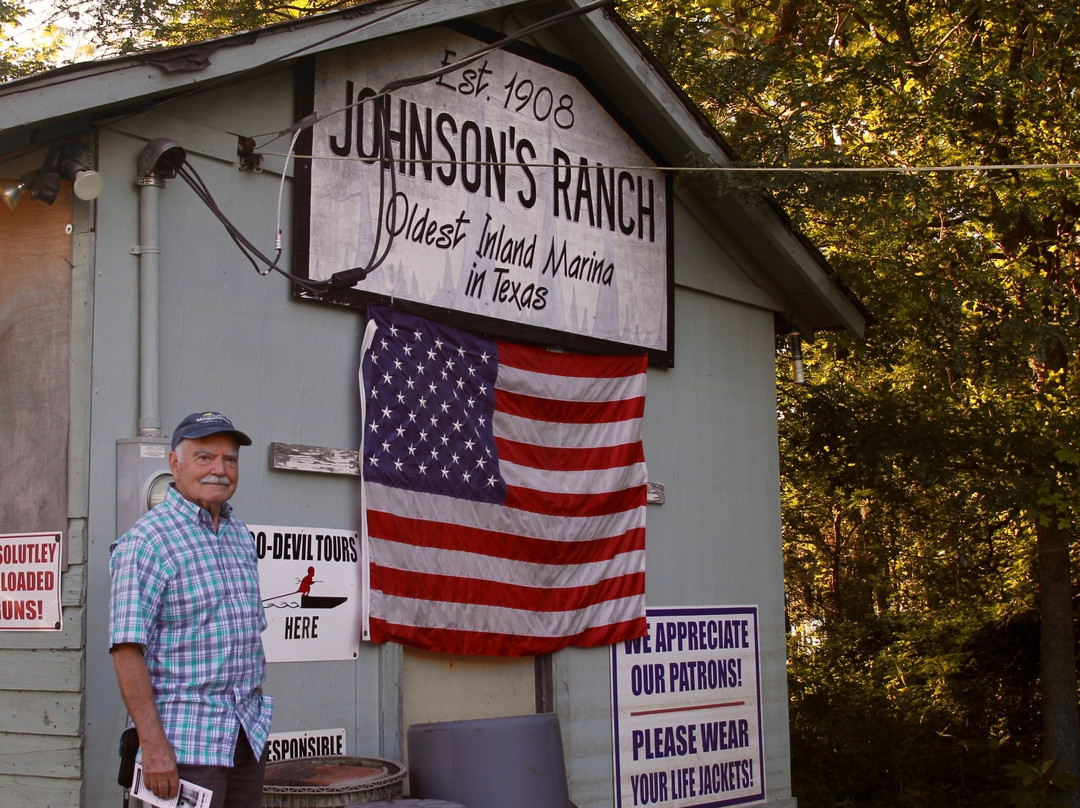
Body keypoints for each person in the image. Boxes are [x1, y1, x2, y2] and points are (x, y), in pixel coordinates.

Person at [110, 411, 273, 808]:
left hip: (243, 739)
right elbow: (126, 650)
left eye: (229, 459)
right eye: (204, 457)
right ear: (174, 464)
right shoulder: (147, 542)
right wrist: (153, 746)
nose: (219, 469)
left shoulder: (238, 536)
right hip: (182, 747)